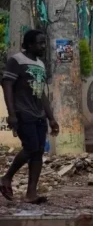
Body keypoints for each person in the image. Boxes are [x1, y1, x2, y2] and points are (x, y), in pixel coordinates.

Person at [1, 29, 59, 204]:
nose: (43, 46)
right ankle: (6, 178)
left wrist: (51, 118)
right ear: (29, 44)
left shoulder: (40, 65)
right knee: (31, 148)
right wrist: (11, 114)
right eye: (40, 43)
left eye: (44, 43)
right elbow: (7, 86)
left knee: (38, 152)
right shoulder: (16, 61)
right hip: (23, 112)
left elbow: (41, 94)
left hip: (38, 114)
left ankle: (31, 193)